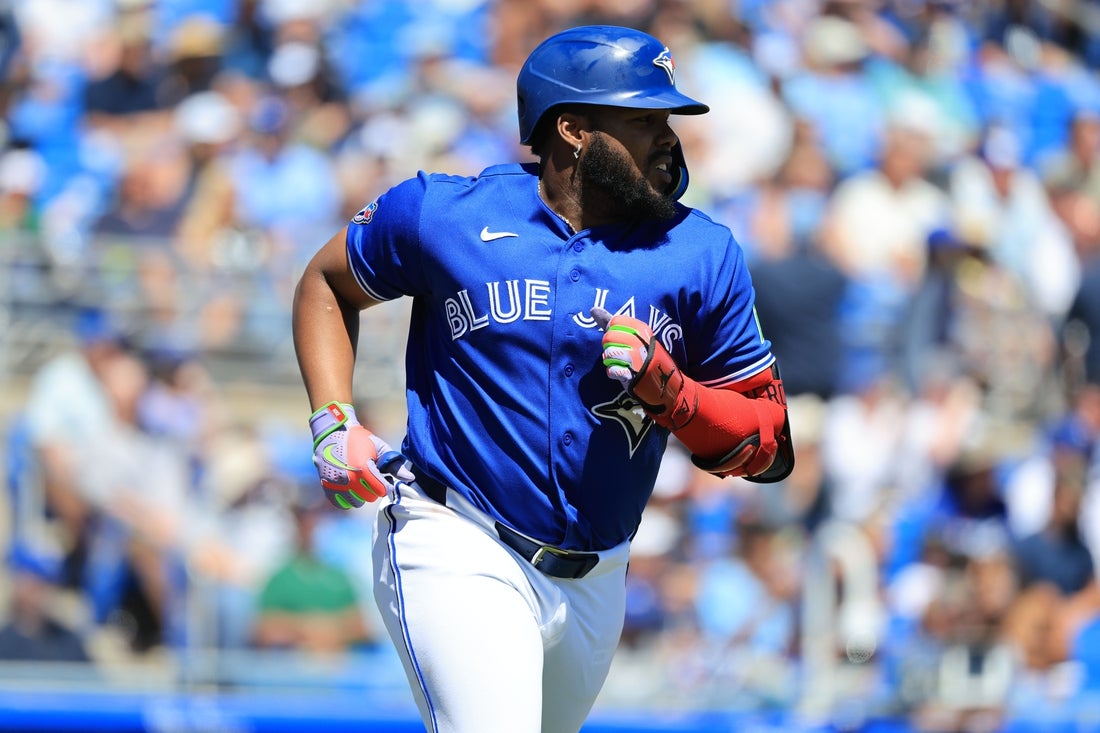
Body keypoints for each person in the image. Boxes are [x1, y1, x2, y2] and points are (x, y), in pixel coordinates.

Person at [291, 25, 794, 733]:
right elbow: (325, 282)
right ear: (573, 130)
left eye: (667, 119)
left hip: (597, 575)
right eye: (643, 119)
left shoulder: (701, 251)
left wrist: (674, 393)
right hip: (456, 535)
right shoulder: (444, 214)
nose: (668, 138)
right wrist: (331, 418)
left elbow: (769, 445)